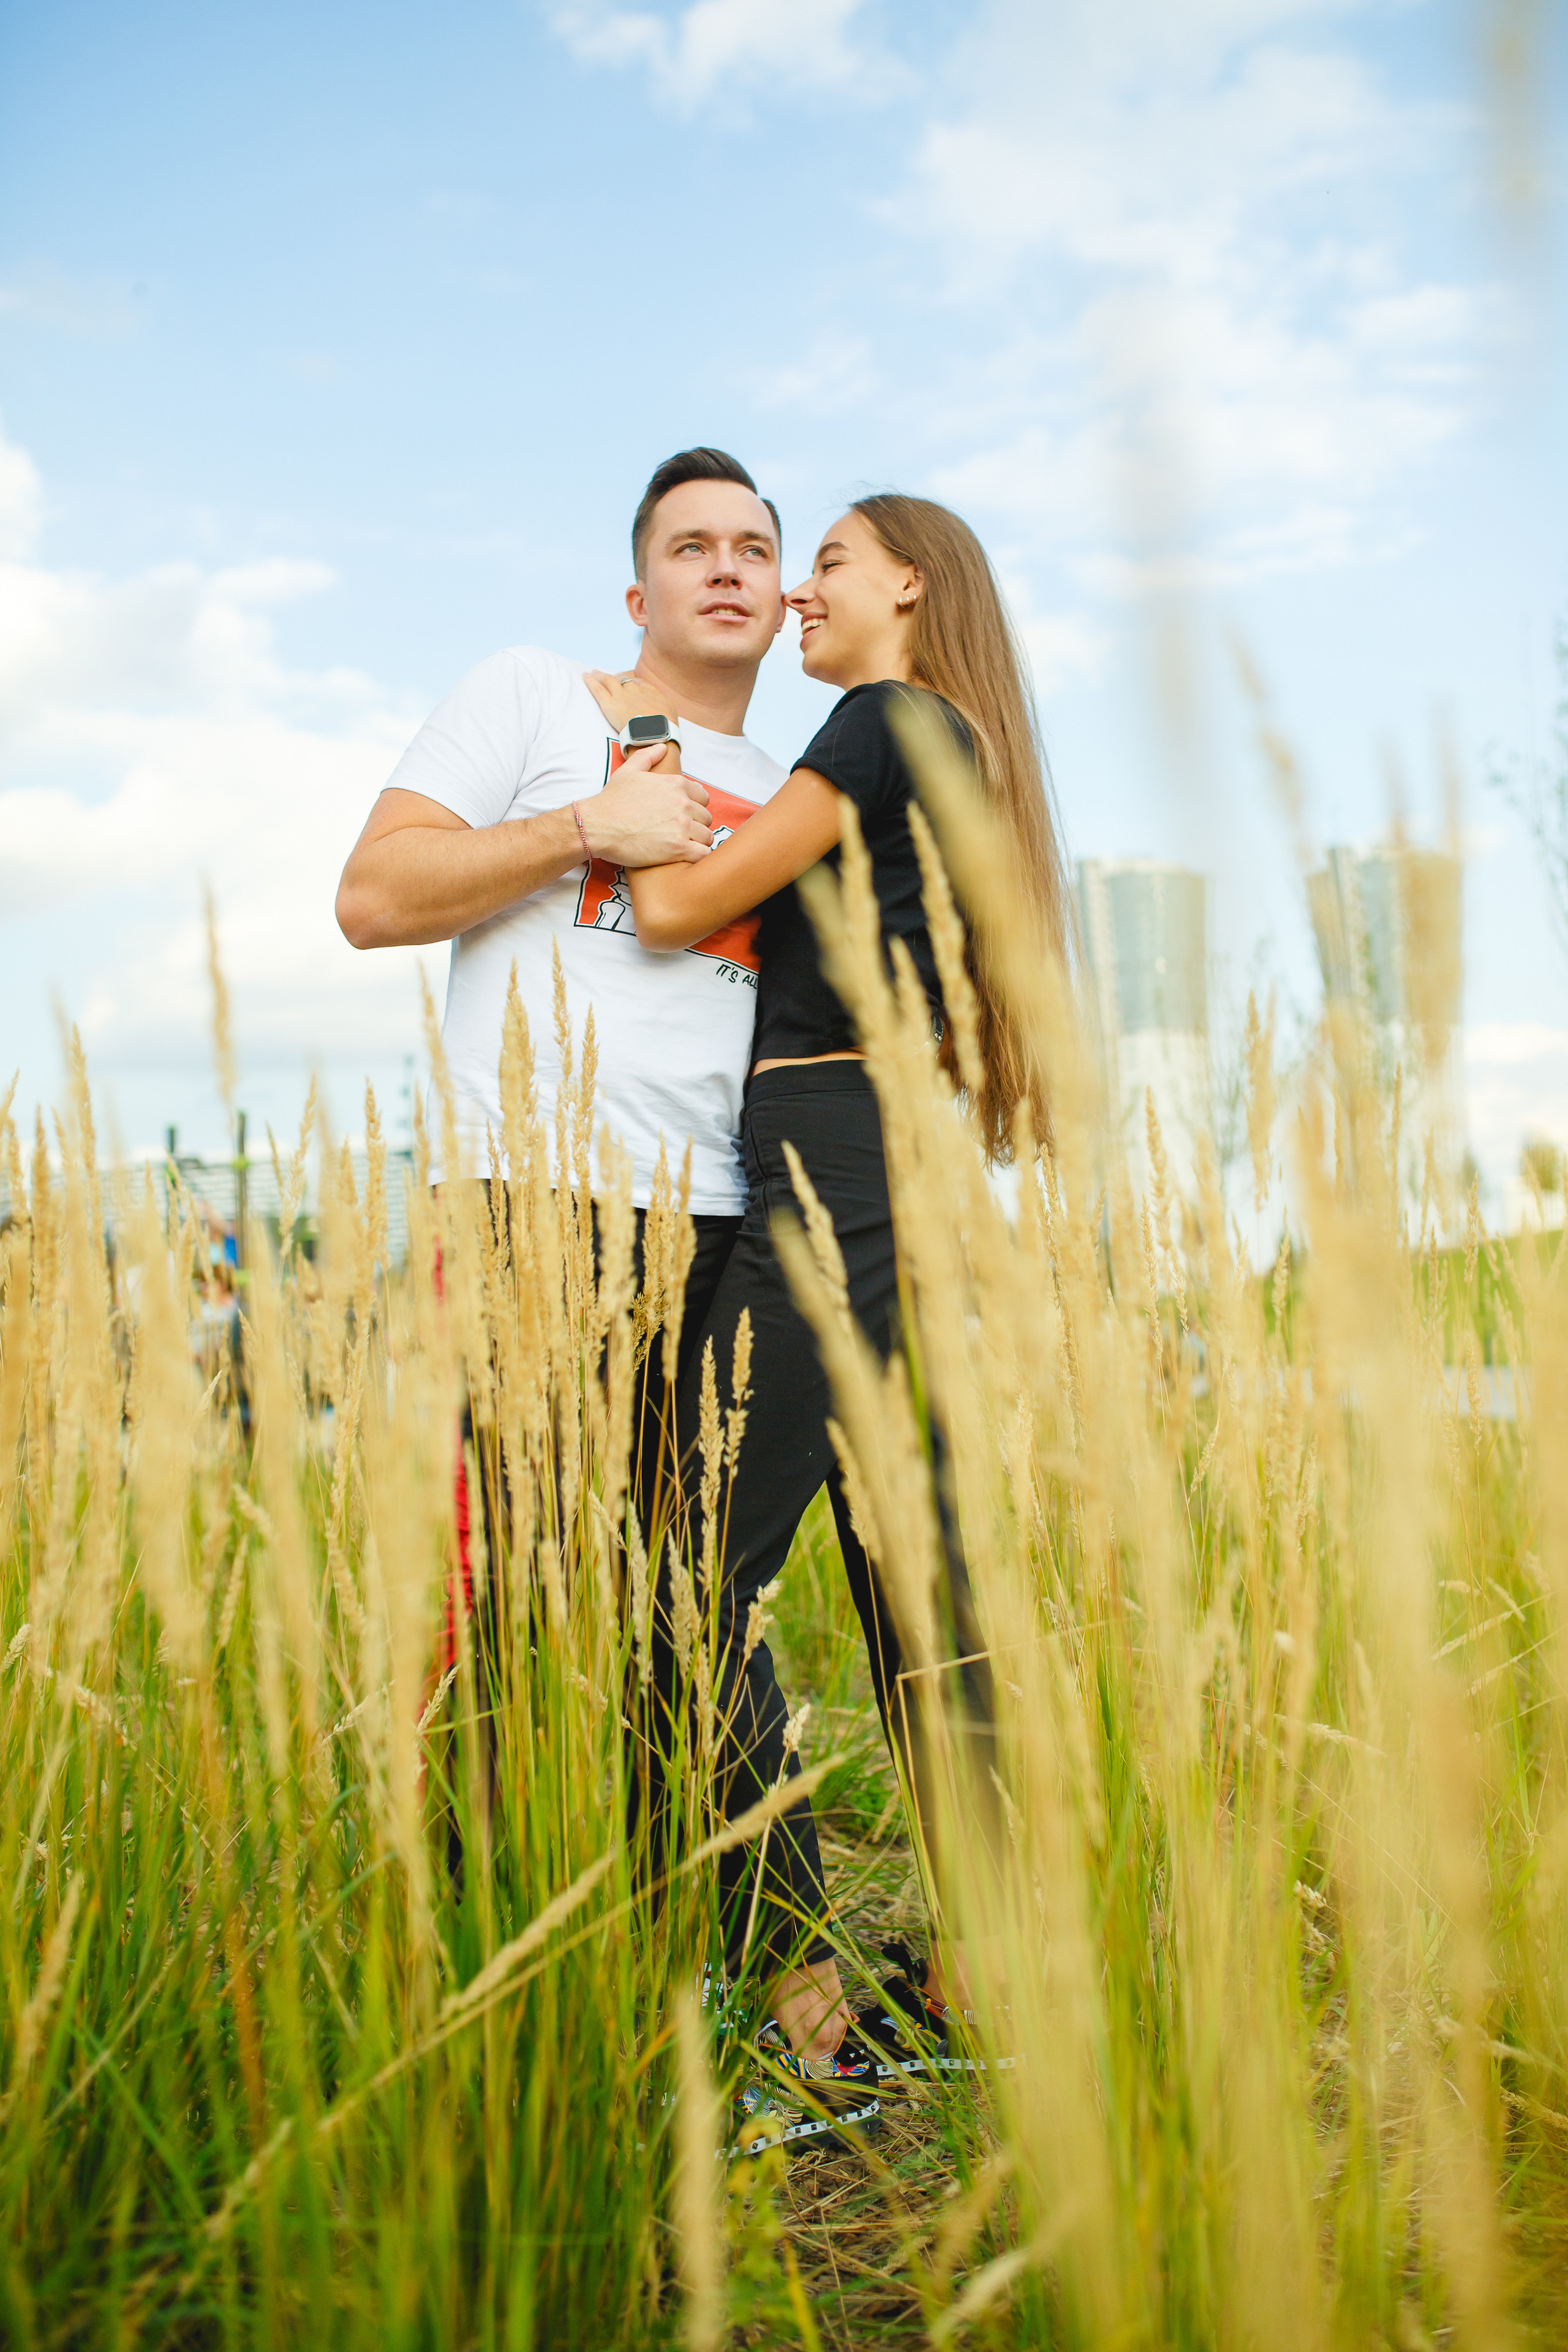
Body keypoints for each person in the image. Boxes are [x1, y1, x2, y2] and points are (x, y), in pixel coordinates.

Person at [595, 493, 1072, 2094]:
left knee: (682, 1565)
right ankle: (987, 1971)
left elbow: (667, 902)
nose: (798, 589)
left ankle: (796, 1979)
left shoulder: (880, 723)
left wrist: (648, 755)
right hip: (912, 1162)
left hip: (826, 1151)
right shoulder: (967, 752)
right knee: (914, 1579)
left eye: (834, 564)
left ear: (912, 588)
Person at [335, 448, 790, 1504]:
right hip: (523, 1196)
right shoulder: (536, 694)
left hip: (718, 1223)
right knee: (496, 1589)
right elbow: (371, 898)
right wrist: (588, 825)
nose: (726, 569)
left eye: (753, 551)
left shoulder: (794, 795)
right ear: (640, 595)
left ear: (781, 604)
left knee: (660, 1601)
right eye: (693, 548)